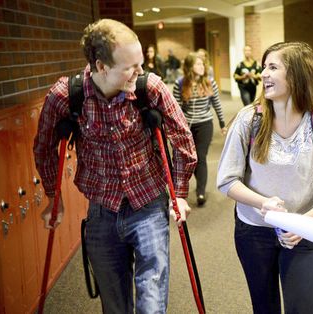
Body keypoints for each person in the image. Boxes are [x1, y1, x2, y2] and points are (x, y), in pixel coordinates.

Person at [33, 19, 197, 314]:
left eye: (141, 63)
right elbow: (43, 148)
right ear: (101, 67)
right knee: (115, 306)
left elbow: (183, 139)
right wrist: (51, 197)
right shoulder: (65, 95)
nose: (141, 72)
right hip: (101, 211)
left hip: (149, 204)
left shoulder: (151, 88)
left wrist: (180, 193)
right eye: (130, 67)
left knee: (152, 304)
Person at [217, 42, 313, 313]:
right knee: (265, 308)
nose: (264, 74)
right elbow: (226, 180)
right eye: (263, 67)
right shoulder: (249, 120)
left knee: (302, 308)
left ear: (297, 75)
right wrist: (262, 202)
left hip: (302, 231)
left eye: (273, 67)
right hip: (253, 230)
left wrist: (304, 223)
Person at [173, 52, 226, 206]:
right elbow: (176, 109)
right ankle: (198, 186)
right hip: (187, 126)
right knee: (192, 158)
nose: (201, 67)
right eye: (197, 64)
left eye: (202, 64)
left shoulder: (210, 82)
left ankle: (200, 191)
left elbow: (217, 104)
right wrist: (178, 129)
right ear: (190, 67)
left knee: (201, 156)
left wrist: (222, 124)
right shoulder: (180, 83)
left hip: (205, 124)